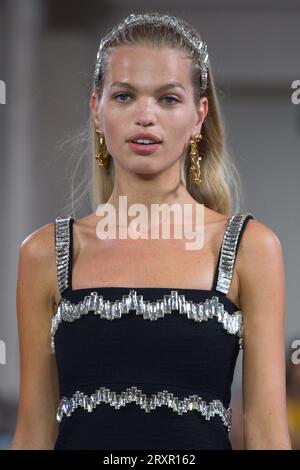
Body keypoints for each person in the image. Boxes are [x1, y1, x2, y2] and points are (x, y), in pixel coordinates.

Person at [11, 12, 291, 450]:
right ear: (97, 111)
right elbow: (32, 435)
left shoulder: (247, 249)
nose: (145, 116)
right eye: (124, 96)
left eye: (167, 99)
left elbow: (267, 435)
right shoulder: (46, 253)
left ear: (199, 115)